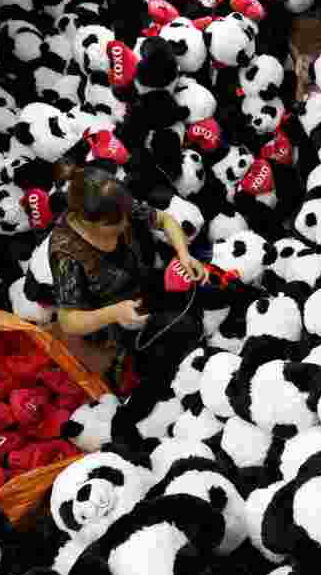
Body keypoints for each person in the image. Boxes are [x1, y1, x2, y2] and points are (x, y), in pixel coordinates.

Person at [49, 156, 208, 397]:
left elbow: (164, 220)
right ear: (86, 220)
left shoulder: (117, 205)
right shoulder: (65, 250)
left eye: (126, 216)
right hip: (108, 321)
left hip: (141, 285)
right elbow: (68, 320)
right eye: (114, 223)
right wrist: (114, 313)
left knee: (195, 302)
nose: (126, 224)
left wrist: (184, 254)